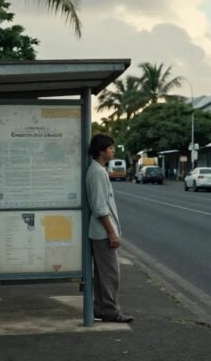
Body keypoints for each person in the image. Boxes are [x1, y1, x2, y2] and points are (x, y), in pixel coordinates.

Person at [85, 134, 133, 323]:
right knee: (110, 274)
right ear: (101, 151)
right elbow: (99, 207)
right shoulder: (97, 172)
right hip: (102, 233)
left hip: (102, 232)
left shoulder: (99, 170)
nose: (114, 151)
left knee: (104, 274)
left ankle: (101, 308)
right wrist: (111, 232)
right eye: (111, 148)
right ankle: (110, 310)